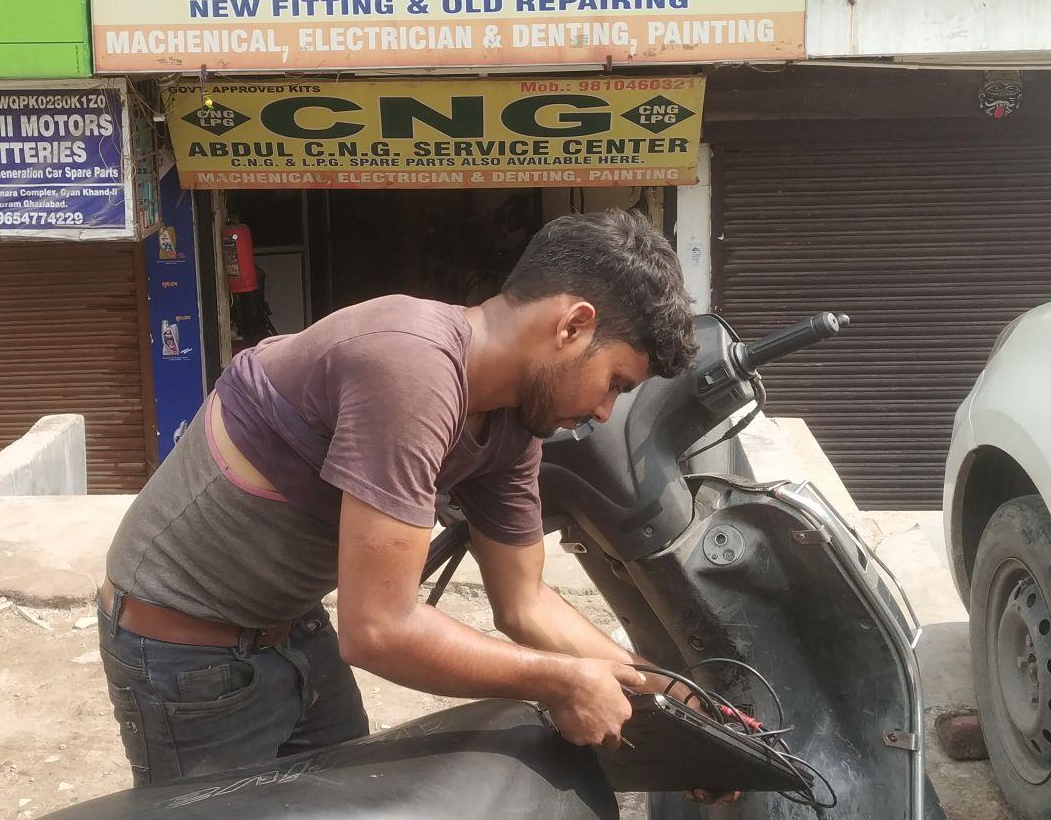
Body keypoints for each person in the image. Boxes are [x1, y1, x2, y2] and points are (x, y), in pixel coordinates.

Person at [98, 207, 699, 788]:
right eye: (615, 382)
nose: (604, 411)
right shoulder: (411, 365)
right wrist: (563, 681)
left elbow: (525, 603)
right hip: (183, 651)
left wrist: (671, 697)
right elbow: (379, 629)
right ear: (572, 327)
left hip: (292, 631)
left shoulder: (514, 425)